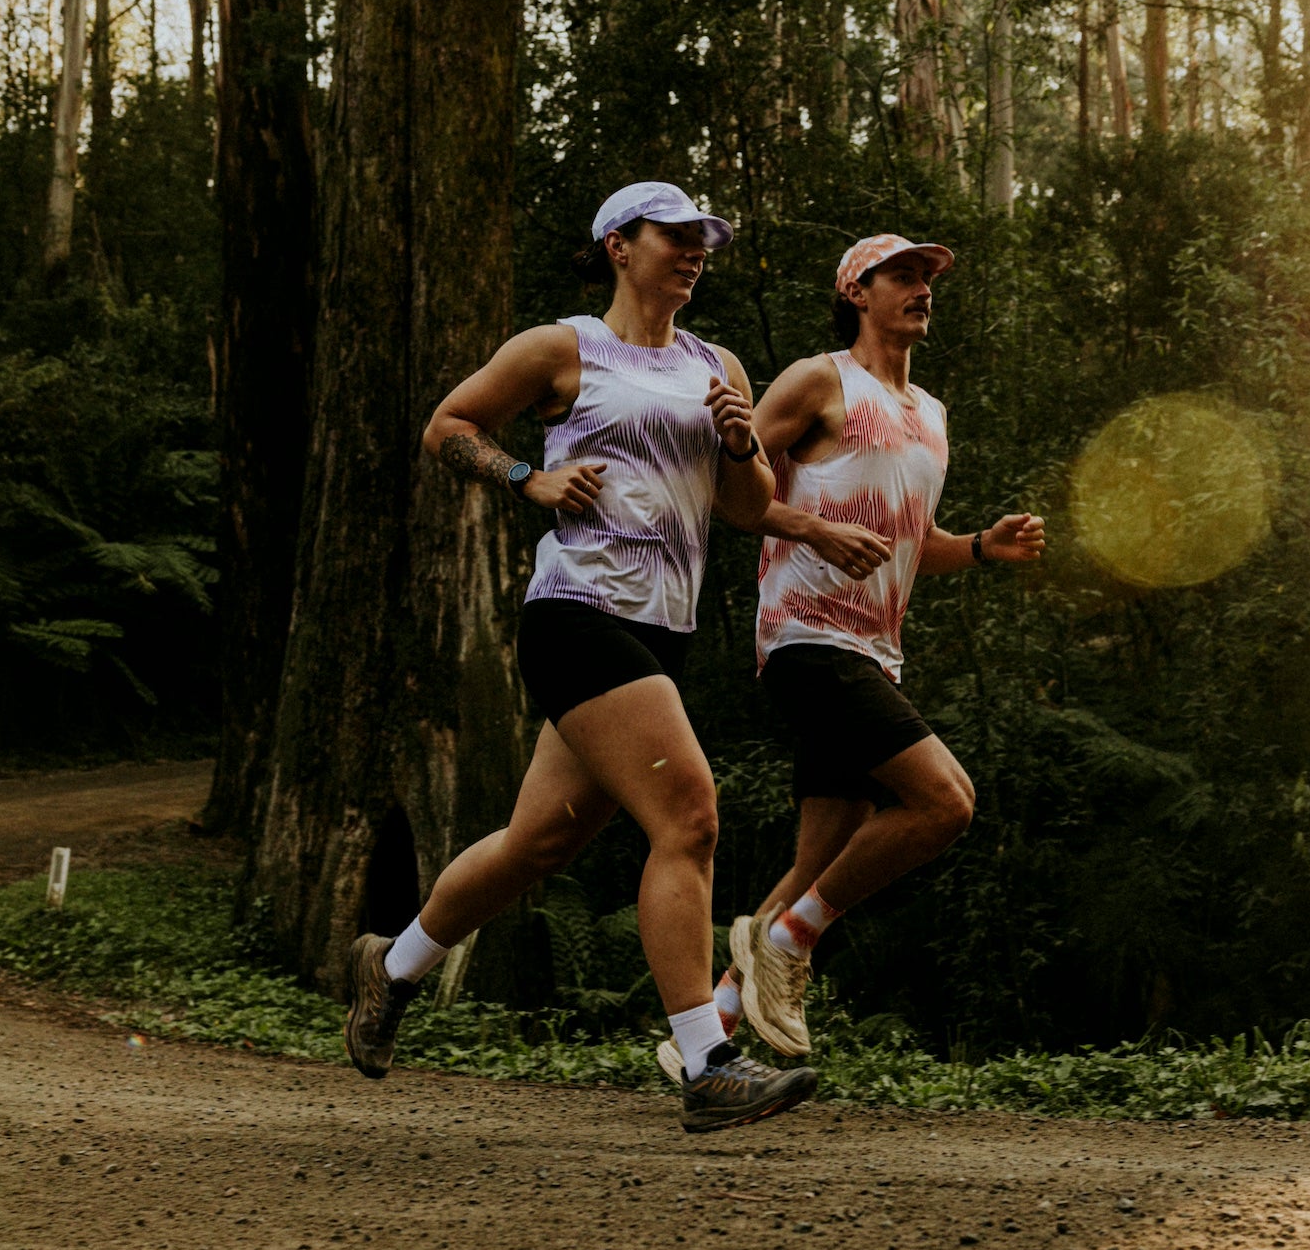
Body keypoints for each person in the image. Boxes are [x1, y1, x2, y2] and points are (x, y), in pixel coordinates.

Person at [340, 181, 819, 1134]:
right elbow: (450, 426)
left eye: (702, 240)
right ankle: (705, 1061)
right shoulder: (562, 348)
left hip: (660, 629)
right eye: (673, 236)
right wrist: (532, 477)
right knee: (689, 814)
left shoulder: (714, 363)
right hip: (576, 611)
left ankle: (388, 968)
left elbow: (740, 504)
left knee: (539, 843)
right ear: (617, 245)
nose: (693, 251)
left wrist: (740, 445)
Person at [657, 233, 1046, 1077]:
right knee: (946, 802)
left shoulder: (932, 414)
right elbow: (729, 492)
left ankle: (702, 1043)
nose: (921, 288)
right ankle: (792, 943)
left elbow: (908, 540)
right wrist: (812, 529)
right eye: (901, 275)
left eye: (927, 277)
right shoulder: (818, 380)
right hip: (805, 636)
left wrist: (979, 546)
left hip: (872, 651)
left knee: (814, 860)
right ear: (855, 292)